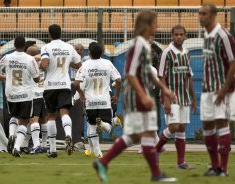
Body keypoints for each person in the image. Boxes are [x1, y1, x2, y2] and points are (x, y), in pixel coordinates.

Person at [93, 11, 177, 182]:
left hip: (140, 95)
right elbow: (130, 75)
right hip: (138, 97)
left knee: (139, 136)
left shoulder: (144, 45)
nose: (157, 26)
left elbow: (148, 74)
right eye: (155, 23)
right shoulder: (139, 45)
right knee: (143, 134)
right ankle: (155, 174)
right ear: (147, 25)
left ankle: (105, 162)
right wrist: (143, 96)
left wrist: (164, 89)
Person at [198, 4, 235, 176]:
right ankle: (214, 166)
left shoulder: (223, 36)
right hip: (207, 90)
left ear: (213, 15)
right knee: (207, 125)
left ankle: (224, 169)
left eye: (203, 14)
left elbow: (233, 62)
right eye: (199, 13)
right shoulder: (206, 35)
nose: (200, 17)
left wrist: (224, 88)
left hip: (221, 90)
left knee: (222, 123)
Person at [156, 25, 197, 169]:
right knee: (173, 126)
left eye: (181, 34)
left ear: (185, 36)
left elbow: (189, 76)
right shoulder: (166, 53)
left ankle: (181, 162)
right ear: (172, 36)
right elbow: (161, 76)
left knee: (181, 128)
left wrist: (194, 98)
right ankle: (156, 149)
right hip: (170, 96)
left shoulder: (187, 53)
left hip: (184, 97)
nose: (179, 37)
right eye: (176, 34)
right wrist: (166, 98)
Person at [0, 36, 40, 157]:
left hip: (11, 94)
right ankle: (17, 148)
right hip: (25, 95)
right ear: (25, 46)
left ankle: (11, 135)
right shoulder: (30, 59)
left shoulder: (7, 57)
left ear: (14, 45)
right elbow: (37, 78)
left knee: (14, 116)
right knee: (24, 121)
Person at [74, 42, 121, 158]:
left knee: (92, 127)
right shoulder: (107, 63)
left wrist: (81, 94)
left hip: (91, 102)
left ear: (89, 52)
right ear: (102, 52)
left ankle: (98, 153)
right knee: (108, 127)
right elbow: (119, 80)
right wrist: (116, 96)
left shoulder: (84, 66)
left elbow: (76, 84)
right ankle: (104, 123)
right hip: (104, 101)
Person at [40, 24, 81, 158]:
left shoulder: (46, 47)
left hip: (50, 86)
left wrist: (41, 65)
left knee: (51, 116)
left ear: (49, 34)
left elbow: (44, 65)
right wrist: (67, 62)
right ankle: (68, 135)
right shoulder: (69, 47)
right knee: (64, 113)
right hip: (64, 85)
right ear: (61, 33)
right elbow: (79, 65)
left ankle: (52, 150)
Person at [26, 46, 48, 154]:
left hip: (32, 95)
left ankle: (36, 145)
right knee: (43, 120)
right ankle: (44, 144)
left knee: (33, 120)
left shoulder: (28, 61)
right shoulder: (41, 61)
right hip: (41, 93)